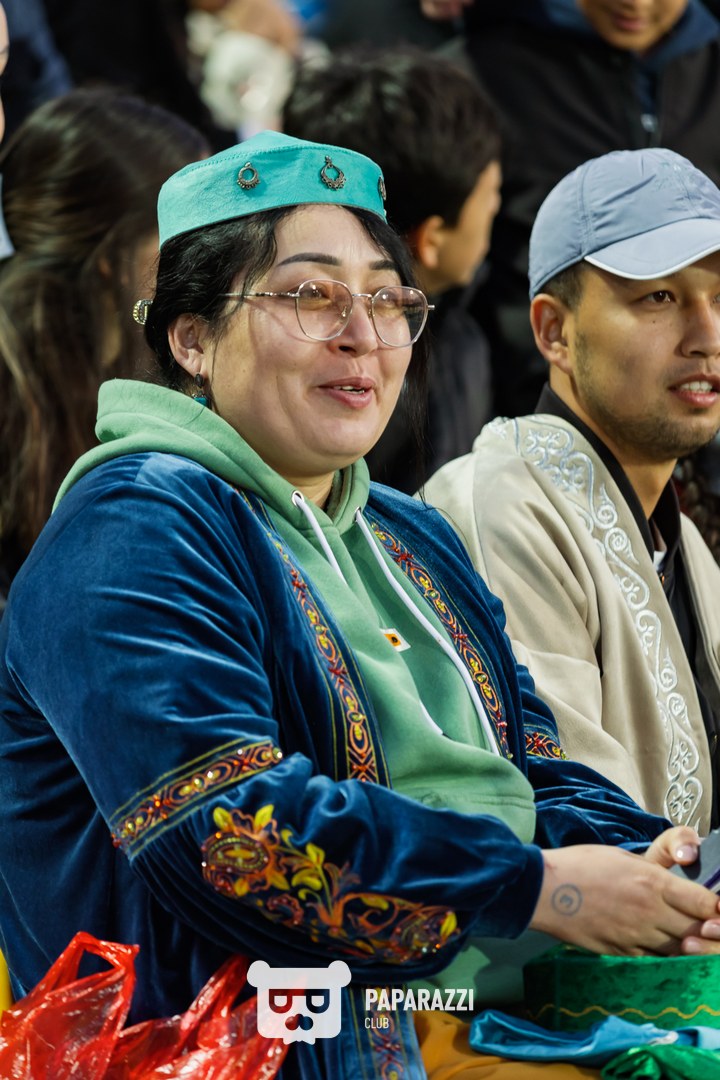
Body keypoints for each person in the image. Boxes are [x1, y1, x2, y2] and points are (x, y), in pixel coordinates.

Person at [2, 132, 720, 1080]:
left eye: (386, 300)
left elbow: (535, 769)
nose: (363, 334)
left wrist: (664, 865)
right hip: (238, 1052)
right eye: (311, 295)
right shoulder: (133, 528)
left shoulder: (406, 531)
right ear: (191, 338)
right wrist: (540, 888)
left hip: (456, 1007)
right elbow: (233, 838)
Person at [424, 147, 720, 837]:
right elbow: (570, 815)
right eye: (659, 297)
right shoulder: (499, 504)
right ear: (554, 331)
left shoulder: (683, 543)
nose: (707, 337)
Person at [0, 88, 209, 606]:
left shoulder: (156, 348)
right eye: (184, 232)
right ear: (111, 259)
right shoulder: (13, 392)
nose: (209, 255)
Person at [283, 45, 501, 490]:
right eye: (490, 201)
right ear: (432, 240)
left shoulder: (461, 330)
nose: (362, 339)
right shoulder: (400, 374)